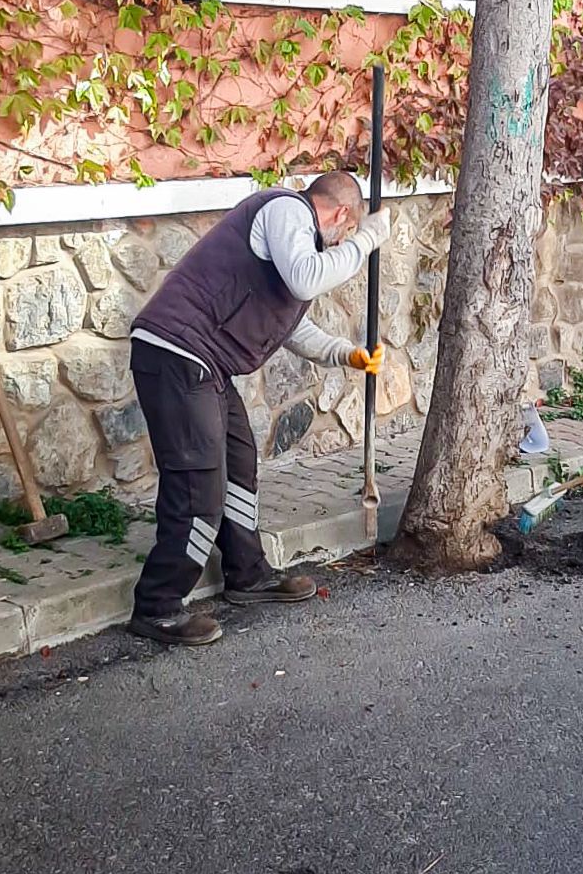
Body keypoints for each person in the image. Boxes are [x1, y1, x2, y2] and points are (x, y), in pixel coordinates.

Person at [127, 171, 390, 646]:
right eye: (347, 232)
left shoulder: (295, 247)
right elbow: (307, 277)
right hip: (175, 353)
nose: (344, 242)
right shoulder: (287, 211)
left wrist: (345, 353)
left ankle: (247, 575)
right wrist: (368, 241)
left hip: (204, 364)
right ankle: (158, 606)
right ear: (341, 215)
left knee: (240, 462)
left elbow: (287, 324)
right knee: (197, 483)